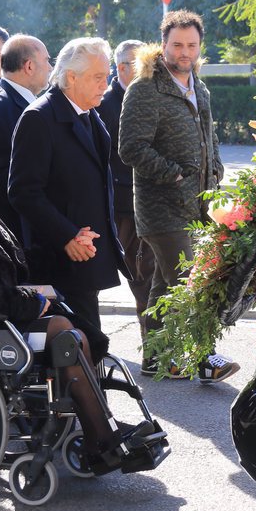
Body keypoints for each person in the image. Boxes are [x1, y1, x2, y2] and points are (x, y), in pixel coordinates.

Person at [0, 146, 152, 468]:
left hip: (3, 321)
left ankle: (100, 430)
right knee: (63, 333)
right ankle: (101, 435)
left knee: (71, 336)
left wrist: (67, 247)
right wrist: (30, 301)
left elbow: (20, 263)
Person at [118, 10, 239, 383]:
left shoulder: (198, 86)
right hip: (161, 208)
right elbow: (130, 148)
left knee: (165, 285)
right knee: (191, 281)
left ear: (200, 46)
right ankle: (204, 357)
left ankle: (155, 359)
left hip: (198, 203)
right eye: (177, 45)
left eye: (191, 45)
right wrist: (172, 173)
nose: (184, 52)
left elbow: (209, 136)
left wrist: (215, 168)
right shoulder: (146, 88)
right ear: (164, 44)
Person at [9, 37, 127, 334]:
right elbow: (23, 192)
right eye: (98, 77)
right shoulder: (39, 118)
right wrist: (67, 236)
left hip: (87, 255)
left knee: (87, 343)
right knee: (78, 347)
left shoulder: (88, 112)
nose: (106, 83)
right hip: (60, 259)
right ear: (71, 77)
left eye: (107, 76)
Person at [96, 40, 154, 338]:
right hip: (120, 206)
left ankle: (155, 346)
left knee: (147, 276)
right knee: (136, 274)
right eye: (141, 64)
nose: (150, 69)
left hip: (147, 203)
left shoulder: (149, 96)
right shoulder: (105, 104)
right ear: (121, 68)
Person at [0, 33, 51, 240]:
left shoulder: (31, 104)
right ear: (29, 66)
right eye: (47, 61)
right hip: (16, 236)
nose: (50, 68)